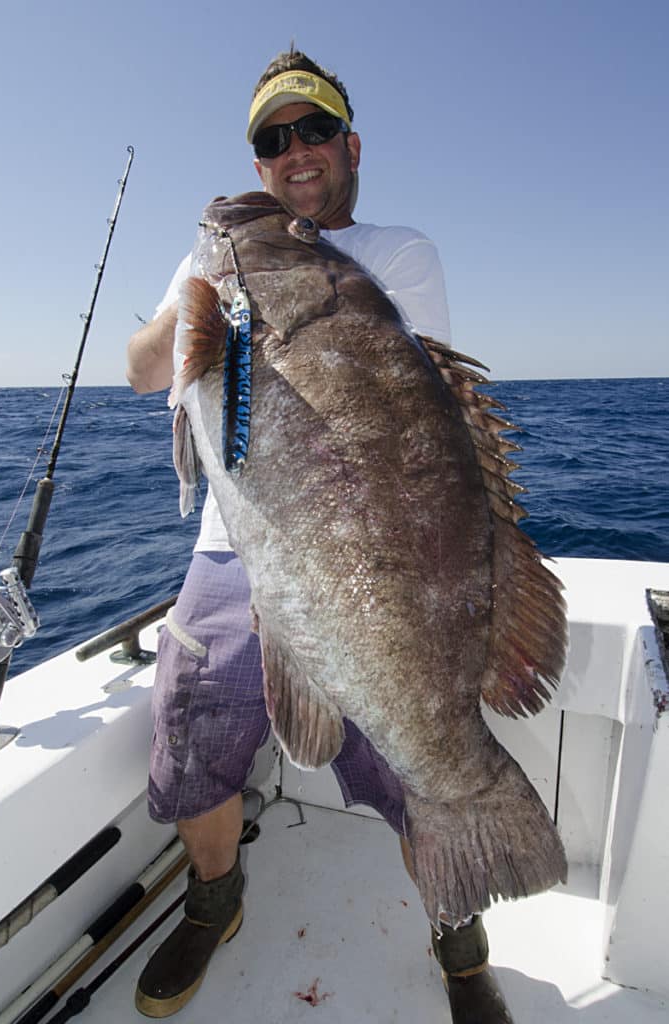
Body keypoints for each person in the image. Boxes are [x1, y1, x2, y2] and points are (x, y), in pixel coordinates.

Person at [127, 48, 513, 1024]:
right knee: (189, 721)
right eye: (272, 138)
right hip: (235, 541)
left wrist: (249, 276)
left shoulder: (395, 250)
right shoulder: (216, 255)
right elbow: (143, 372)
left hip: (365, 556)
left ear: (348, 145)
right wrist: (199, 295)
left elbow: (407, 416)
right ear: (258, 164)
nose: (293, 151)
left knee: (405, 746)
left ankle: (453, 927)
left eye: (311, 131)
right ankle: (215, 894)